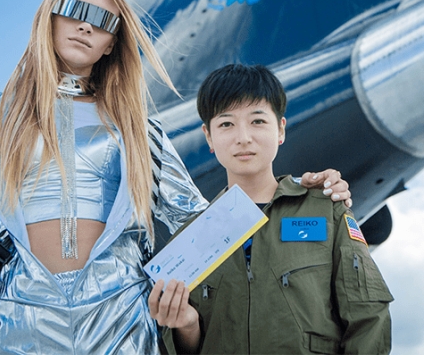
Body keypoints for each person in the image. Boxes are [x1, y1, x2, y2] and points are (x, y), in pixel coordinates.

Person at [0, 0, 350, 355]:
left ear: (112, 43)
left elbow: (202, 223)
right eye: (73, 9)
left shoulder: (138, 130)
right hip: (20, 321)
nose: (86, 25)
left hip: (122, 319)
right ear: (47, 16)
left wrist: (299, 194)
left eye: (104, 20)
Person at [149, 64, 393, 354]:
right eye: (226, 124)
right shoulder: (190, 239)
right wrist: (186, 327)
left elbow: (368, 314)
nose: (243, 137)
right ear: (209, 137)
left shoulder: (326, 211)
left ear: (280, 130)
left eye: (257, 121)